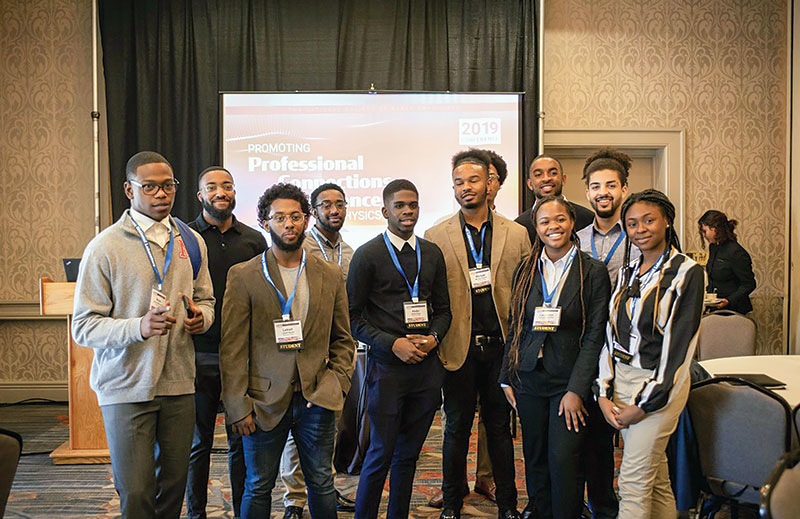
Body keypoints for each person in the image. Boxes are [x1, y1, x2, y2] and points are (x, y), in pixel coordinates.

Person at [72, 151, 215, 519]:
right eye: (149, 186)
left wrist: (203, 319)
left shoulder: (191, 241)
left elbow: (206, 299)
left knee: (173, 488)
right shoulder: (104, 247)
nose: (161, 194)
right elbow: (84, 326)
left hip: (179, 383)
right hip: (125, 385)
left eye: (168, 185)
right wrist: (139, 327)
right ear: (129, 190)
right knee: (136, 492)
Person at [219, 183, 356, 519]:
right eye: (279, 217)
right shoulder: (244, 275)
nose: (288, 224)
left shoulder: (330, 274)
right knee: (258, 486)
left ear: (307, 220)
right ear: (265, 222)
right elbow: (232, 348)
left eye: (295, 216)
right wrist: (237, 406)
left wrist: (335, 384)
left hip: (316, 400)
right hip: (262, 402)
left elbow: (343, 339)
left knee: (322, 483)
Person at [426, 150, 528, 519]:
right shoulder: (436, 235)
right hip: (458, 348)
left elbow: (526, 292)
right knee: (455, 430)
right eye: (458, 182)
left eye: (473, 180)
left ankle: (507, 507)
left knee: (500, 431)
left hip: (502, 348)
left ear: (489, 183)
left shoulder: (517, 234)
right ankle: (452, 504)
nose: (466, 188)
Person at [500, 195, 611, 519]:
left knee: (564, 460)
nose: (553, 227)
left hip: (567, 382)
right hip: (529, 377)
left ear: (572, 222)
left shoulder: (592, 271)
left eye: (559, 219)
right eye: (545, 221)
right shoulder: (525, 268)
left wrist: (577, 390)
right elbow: (515, 323)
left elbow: (595, 336)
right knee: (534, 458)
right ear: (536, 228)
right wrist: (507, 374)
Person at [596, 189, 705, 519]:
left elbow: (678, 352)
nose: (640, 229)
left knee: (632, 482)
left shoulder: (687, 273)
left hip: (659, 389)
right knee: (655, 479)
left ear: (667, 221)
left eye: (648, 220)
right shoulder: (628, 271)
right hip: (622, 384)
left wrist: (642, 405)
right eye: (631, 223)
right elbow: (610, 335)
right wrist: (602, 392)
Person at [348, 179, 452, 519]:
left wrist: (435, 337)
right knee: (380, 453)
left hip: (426, 370)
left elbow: (444, 310)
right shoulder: (368, 255)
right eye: (400, 206)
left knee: (408, 456)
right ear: (385, 211)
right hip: (386, 370)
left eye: (413, 205)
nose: (407, 212)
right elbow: (352, 318)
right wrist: (393, 343)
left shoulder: (431, 252)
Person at [186, 166, 266, 519]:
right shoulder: (184, 237)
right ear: (200, 195)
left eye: (228, 186)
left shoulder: (253, 240)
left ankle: (241, 511)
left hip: (242, 356)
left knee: (241, 441)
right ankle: (196, 512)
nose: (221, 192)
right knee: (197, 443)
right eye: (213, 187)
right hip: (197, 352)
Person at [282, 182, 356, 519]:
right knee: (296, 437)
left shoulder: (351, 252)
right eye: (326, 205)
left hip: (334, 354)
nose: (334, 210)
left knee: (328, 429)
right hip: (300, 352)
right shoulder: (301, 249)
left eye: (339, 204)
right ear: (314, 212)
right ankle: (294, 500)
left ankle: (324, 488)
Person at [576, 148, 640, 519]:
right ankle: (600, 504)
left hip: (627, 349)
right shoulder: (576, 238)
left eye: (611, 186)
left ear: (624, 190)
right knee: (593, 437)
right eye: (596, 186)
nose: (604, 192)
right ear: (586, 193)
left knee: (634, 435)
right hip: (585, 349)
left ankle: (635, 503)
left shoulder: (639, 234)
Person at [515, 155, 594, 243]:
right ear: (530, 184)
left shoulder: (587, 219)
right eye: (538, 175)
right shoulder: (520, 226)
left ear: (563, 179)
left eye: (553, 173)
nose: (546, 178)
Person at [698, 210, 756, 314]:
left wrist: (729, 300)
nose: (704, 235)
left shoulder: (736, 252)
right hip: (717, 308)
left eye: (705, 231)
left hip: (735, 310)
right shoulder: (714, 247)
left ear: (715, 229)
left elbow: (749, 284)